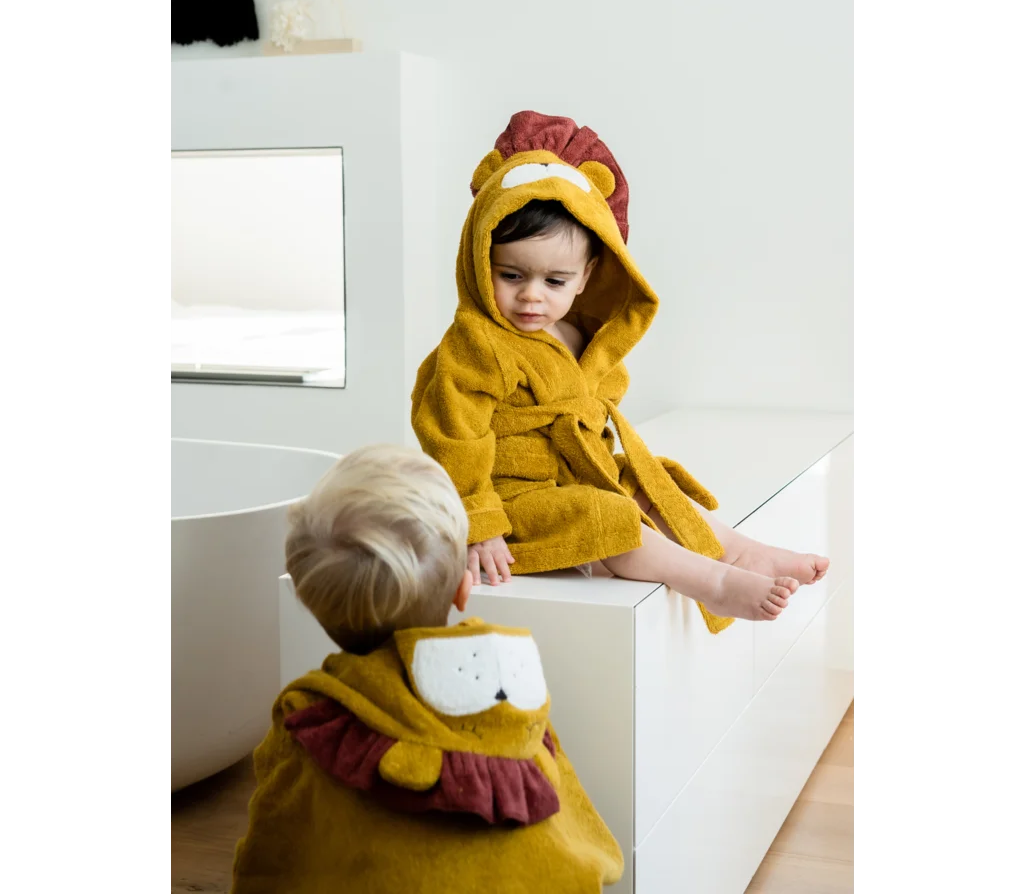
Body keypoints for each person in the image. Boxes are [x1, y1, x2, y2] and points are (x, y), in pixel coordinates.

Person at [411, 111, 828, 633]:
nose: (531, 296)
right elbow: (453, 434)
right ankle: (713, 583)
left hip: (570, 473)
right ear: (479, 261)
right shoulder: (476, 343)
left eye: (554, 281)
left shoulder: (577, 336)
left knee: (645, 480)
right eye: (511, 275)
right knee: (605, 515)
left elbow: (598, 403)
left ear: (586, 277)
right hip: (511, 499)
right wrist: (479, 521)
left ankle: (741, 551)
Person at [231, 443, 624, 894]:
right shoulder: (514, 690)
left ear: (306, 597)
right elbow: (586, 838)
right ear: (463, 589)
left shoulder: (310, 718)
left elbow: (272, 852)